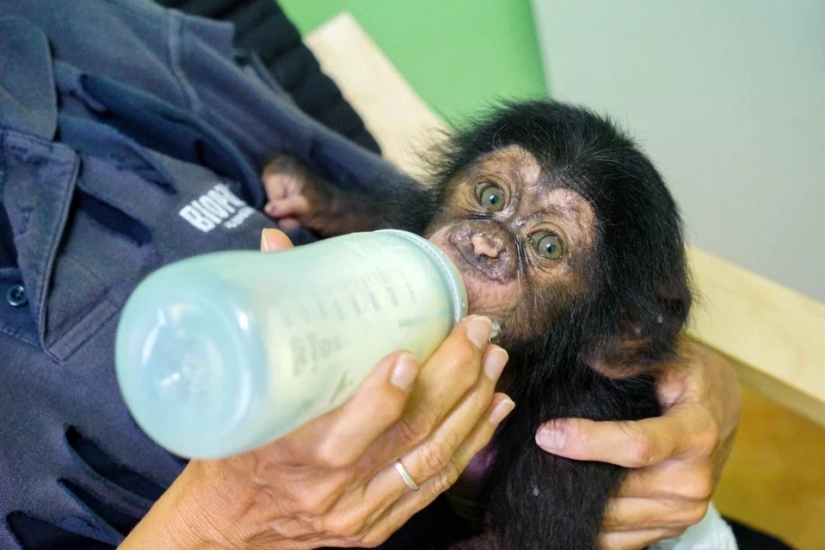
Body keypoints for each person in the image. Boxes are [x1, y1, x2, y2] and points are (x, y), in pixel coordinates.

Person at [0, 1, 741, 549]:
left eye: (545, 245)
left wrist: (693, 380)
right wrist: (211, 524)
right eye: (488, 196)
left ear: (617, 337)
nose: (486, 240)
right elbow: (406, 214)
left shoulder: (569, 445)